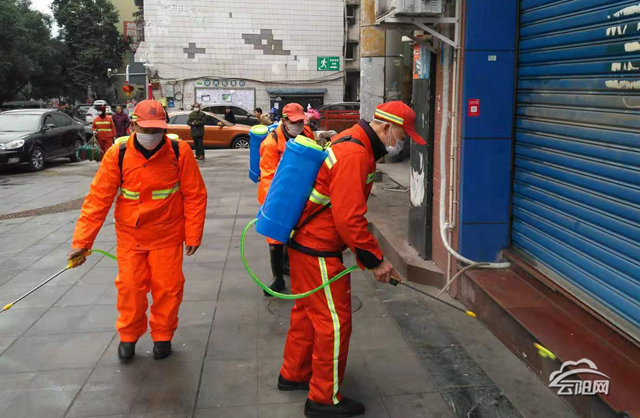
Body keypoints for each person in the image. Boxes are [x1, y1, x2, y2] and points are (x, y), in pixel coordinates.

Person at [278, 102, 426, 418]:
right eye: (402, 136)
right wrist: (375, 261)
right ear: (387, 127)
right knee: (333, 323)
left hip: (305, 244)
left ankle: (294, 373)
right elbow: (349, 219)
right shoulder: (355, 154)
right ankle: (323, 398)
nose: (401, 144)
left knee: (307, 314)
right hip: (317, 248)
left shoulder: (351, 140)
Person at [67, 100, 207, 363]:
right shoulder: (117, 154)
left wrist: (193, 234)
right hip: (131, 237)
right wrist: (82, 242)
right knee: (130, 289)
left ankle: (162, 336)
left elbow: (195, 195)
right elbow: (98, 200)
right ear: (133, 126)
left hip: (167, 235)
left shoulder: (180, 152)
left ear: (164, 129)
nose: (152, 135)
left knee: (168, 289)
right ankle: (129, 336)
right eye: (146, 129)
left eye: (157, 130)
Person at [258, 103, 314, 294]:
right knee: (275, 236)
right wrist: (276, 205)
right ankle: (278, 278)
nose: (298, 126)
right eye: (294, 122)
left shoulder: (307, 133)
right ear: (283, 121)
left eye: (300, 122)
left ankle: (288, 264)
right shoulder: (271, 143)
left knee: (296, 232)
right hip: (277, 194)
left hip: (300, 191)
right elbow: (268, 176)